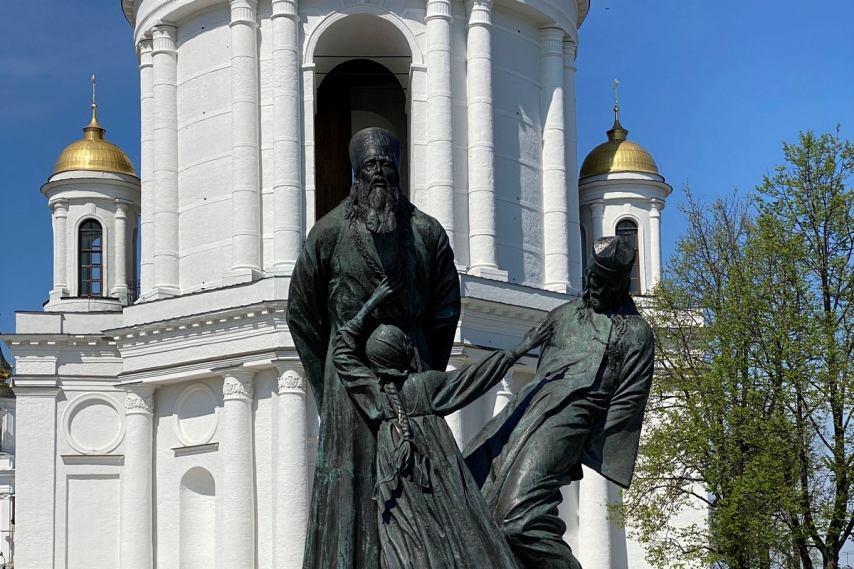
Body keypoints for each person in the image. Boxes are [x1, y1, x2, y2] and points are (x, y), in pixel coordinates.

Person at [287, 127, 461, 569]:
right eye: (370, 166)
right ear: (356, 174)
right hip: (348, 385)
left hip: (409, 369)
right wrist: (329, 384)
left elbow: (445, 310)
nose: (379, 174)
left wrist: (422, 365)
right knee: (349, 489)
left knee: (421, 479)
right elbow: (302, 315)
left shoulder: (426, 233)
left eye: (386, 165)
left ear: (398, 169)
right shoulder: (327, 233)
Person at [331, 275, 554, 569]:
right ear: (403, 352)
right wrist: (522, 348)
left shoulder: (374, 394)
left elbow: (342, 352)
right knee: (452, 522)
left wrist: (369, 305)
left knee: (401, 534)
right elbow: (477, 376)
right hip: (435, 464)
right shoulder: (427, 385)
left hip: (395, 471)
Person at [464, 236, 656, 569]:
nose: (597, 288)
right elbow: (543, 369)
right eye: (594, 279)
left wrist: (587, 440)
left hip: (573, 419)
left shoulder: (636, 332)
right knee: (476, 496)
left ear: (621, 285)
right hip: (526, 409)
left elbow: (629, 399)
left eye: (607, 284)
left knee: (517, 520)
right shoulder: (562, 315)